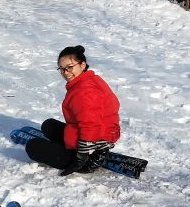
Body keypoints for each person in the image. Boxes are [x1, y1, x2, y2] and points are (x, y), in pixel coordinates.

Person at [25, 45, 120, 175]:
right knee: (49, 125)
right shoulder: (91, 79)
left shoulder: (84, 91)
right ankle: (94, 149)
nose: (65, 73)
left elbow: (89, 124)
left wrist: (81, 157)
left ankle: (92, 157)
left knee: (32, 146)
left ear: (82, 65)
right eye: (62, 69)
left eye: (70, 67)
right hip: (103, 133)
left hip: (92, 144)